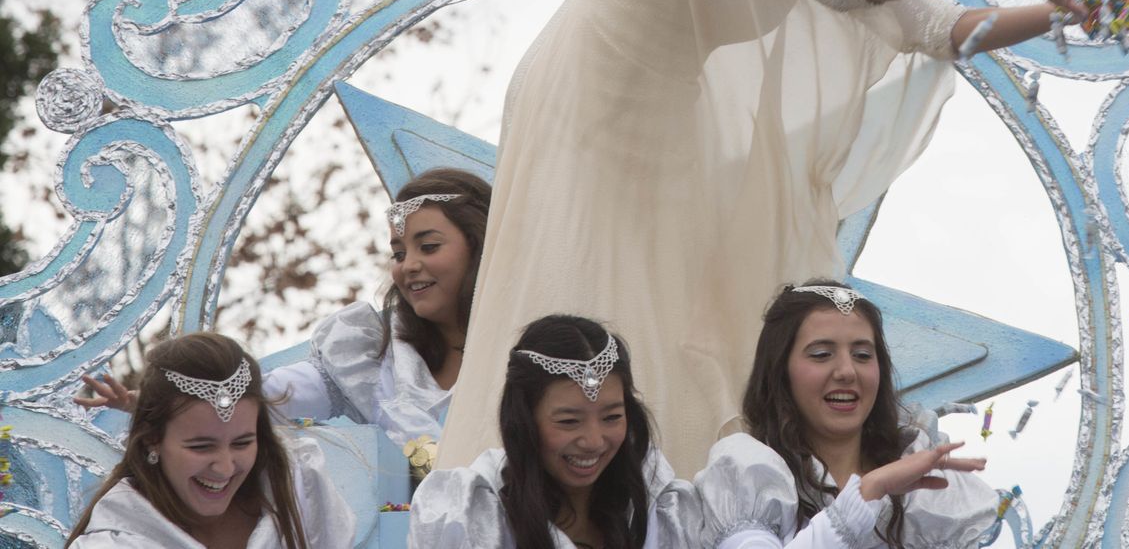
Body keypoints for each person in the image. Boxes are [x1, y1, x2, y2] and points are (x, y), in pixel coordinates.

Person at [441, 0, 1085, 472]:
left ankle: (673, 501)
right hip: (581, 109)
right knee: (585, 297)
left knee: (688, 324)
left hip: (673, 129)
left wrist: (1073, 10)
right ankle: (526, 499)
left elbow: (942, 30)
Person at [79, 170, 489, 459]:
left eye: (429, 247)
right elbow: (268, 400)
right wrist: (166, 401)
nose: (408, 265)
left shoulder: (525, 351)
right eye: (398, 254)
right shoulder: (372, 354)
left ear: (477, 245)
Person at [658, 280, 995, 549]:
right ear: (780, 371)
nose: (847, 371)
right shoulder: (749, 475)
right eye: (821, 354)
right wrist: (868, 493)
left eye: (863, 355)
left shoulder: (928, 493)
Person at [66, 332, 354, 548]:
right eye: (201, 447)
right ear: (154, 440)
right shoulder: (115, 542)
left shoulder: (299, 487)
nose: (225, 467)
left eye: (242, 443)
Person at [408, 315, 672, 549]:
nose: (593, 441)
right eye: (569, 421)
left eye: (612, 417)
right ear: (524, 420)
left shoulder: (658, 510)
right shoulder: (473, 519)